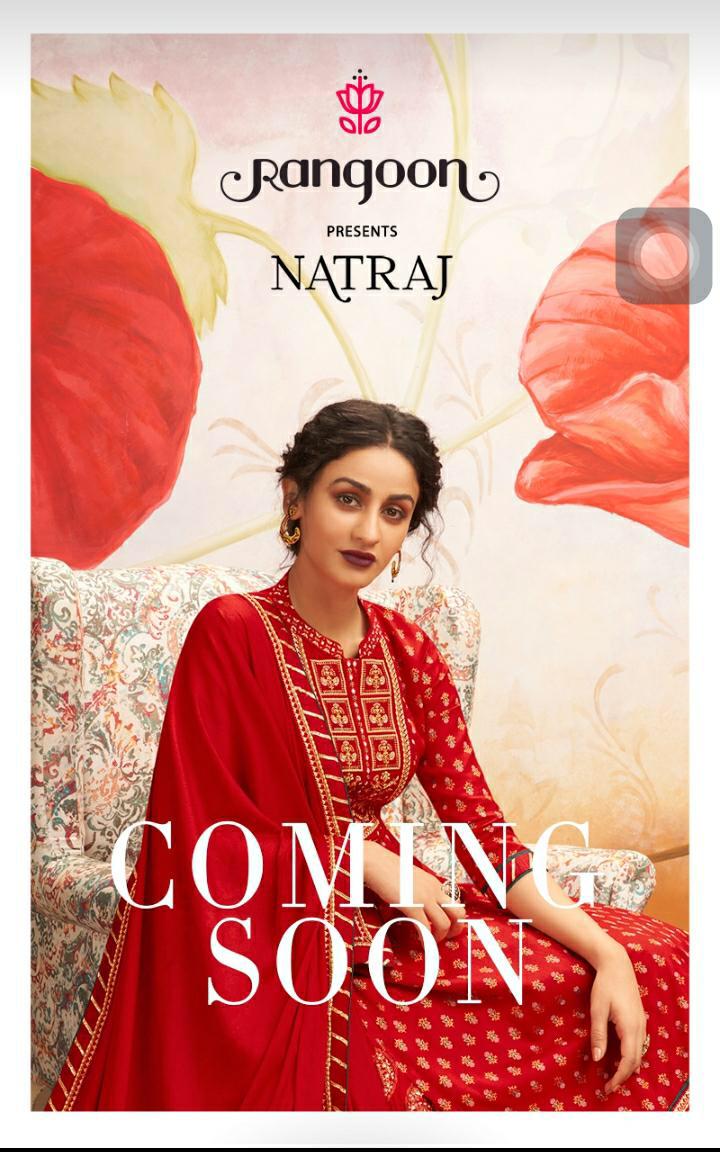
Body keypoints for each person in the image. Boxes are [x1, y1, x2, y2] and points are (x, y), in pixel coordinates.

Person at [45, 399, 689, 1112]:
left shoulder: (409, 653)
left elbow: (483, 833)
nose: (368, 531)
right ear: (295, 498)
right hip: (275, 935)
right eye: (348, 499)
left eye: (394, 512)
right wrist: (363, 860)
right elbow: (202, 833)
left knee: (659, 959)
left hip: (401, 923)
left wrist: (603, 950)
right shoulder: (231, 633)